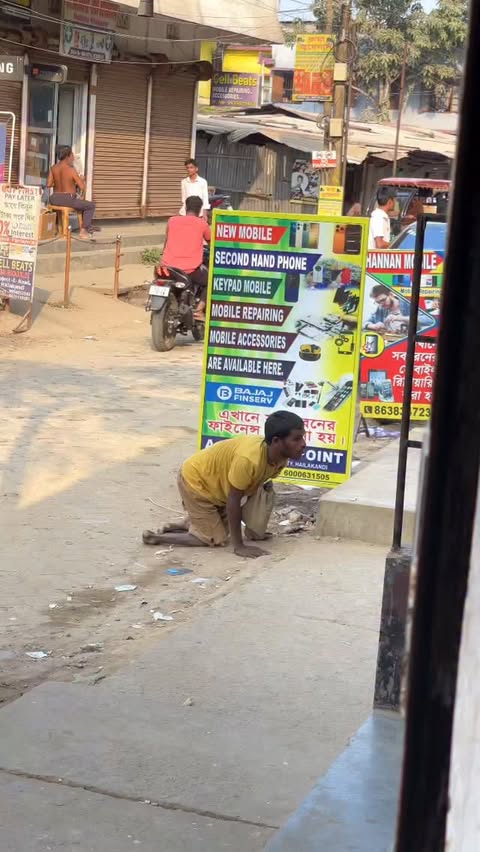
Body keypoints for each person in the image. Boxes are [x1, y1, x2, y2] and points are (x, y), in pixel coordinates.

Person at [142, 411, 306, 559]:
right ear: (276, 441)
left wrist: (255, 525)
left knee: (257, 503)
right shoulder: (248, 459)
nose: (303, 444)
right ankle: (156, 538)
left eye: (303, 437)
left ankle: (191, 522)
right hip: (196, 482)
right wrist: (239, 546)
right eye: (296, 439)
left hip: (219, 487)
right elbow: (234, 499)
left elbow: (251, 489)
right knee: (216, 538)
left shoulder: (280, 458)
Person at [161, 195, 210, 321]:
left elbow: (167, 239)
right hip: (190, 270)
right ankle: (199, 311)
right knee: (211, 281)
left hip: (167, 267)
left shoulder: (172, 221)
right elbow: (212, 242)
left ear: (186, 207)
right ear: (200, 210)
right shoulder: (202, 224)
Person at [47, 146, 96, 240]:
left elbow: (49, 184)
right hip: (68, 199)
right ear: (67, 156)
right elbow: (82, 187)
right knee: (90, 205)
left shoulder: (53, 168)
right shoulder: (71, 169)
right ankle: (83, 230)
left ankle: (58, 227)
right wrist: (81, 179)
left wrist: (60, 183)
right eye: (72, 155)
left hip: (54, 198)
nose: (73, 157)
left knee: (79, 203)